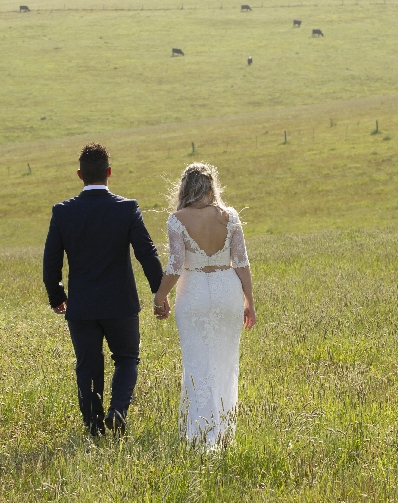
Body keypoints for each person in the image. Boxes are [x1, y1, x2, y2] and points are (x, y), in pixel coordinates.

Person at [43, 142, 169, 437]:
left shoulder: (63, 212)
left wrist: (57, 296)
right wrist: (159, 292)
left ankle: (93, 428)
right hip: (120, 304)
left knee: (88, 366)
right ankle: (118, 411)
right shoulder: (127, 209)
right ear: (109, 172)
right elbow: (146, 252)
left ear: (79, 175)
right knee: (127, 358)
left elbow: (51, 260)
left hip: (82, 307)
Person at [153, 163, 256, 448]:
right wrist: (250, 301)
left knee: (196, 363)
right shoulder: (230, 217)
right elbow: (242, 263)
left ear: (185, 188)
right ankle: (222, 432)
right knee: (225, 362)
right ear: (212, 187)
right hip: (228, 291)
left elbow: (175, 266)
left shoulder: (177, 219)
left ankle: (197, 434)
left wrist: (159, 297)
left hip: (194, 291)